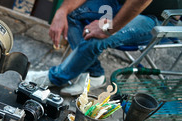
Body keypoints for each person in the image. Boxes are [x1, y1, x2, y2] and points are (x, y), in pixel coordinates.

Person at [25, 0, 181, 96]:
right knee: (71, 15)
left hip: (157, 16)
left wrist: (108, 28)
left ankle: (55, 78)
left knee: (95, 38)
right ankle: (94, 74)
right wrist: (62, 10)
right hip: (119, 2)